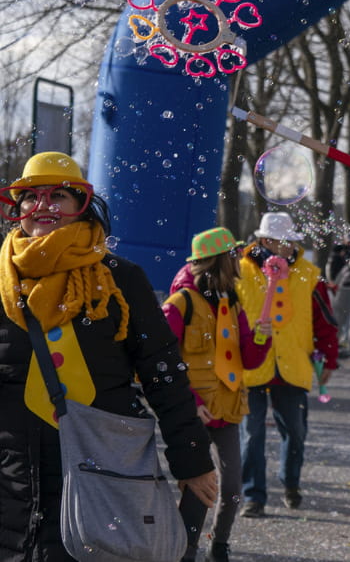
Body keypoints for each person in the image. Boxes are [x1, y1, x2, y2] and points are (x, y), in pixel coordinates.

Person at [0, 152, 217, 560]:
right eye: (30, 196)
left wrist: (191, 458)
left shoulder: (119, 278)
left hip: (104, 474)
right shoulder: (1, 282)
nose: (42, 206)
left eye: (59, 195)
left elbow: (164, 372)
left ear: (82, 205)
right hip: (13, 481)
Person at [163, 227, 272, 562]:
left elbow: (249, 361)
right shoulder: (180, 304)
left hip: (227, 410)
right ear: (219, 261)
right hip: (194, 412)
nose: (239, 262)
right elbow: (159, 361)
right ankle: (186, 552)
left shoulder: (232, 304)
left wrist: (261, 337)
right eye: (233, 257)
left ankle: (219, 546)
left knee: (233, 489)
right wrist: (190, 404)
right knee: (198, 488)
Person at [235, 212, 340, 517]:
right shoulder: (238, 272)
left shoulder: (309, 274)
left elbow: (326, 324)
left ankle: (291, 482)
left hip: (293, 364)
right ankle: (253, 495)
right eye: (285, 242)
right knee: (251, 434)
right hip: (250, 366)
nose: (291, 247)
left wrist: (329, 359)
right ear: (265, 241)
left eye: (293, 242)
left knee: (295, 431)